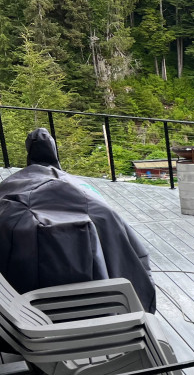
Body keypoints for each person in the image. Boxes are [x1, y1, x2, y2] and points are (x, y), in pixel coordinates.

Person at [0, 128, 157, 312]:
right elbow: (132, 255)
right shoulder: (88, 196)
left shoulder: (10, 189)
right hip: (106, 303)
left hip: (26, 309)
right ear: (54, 151)